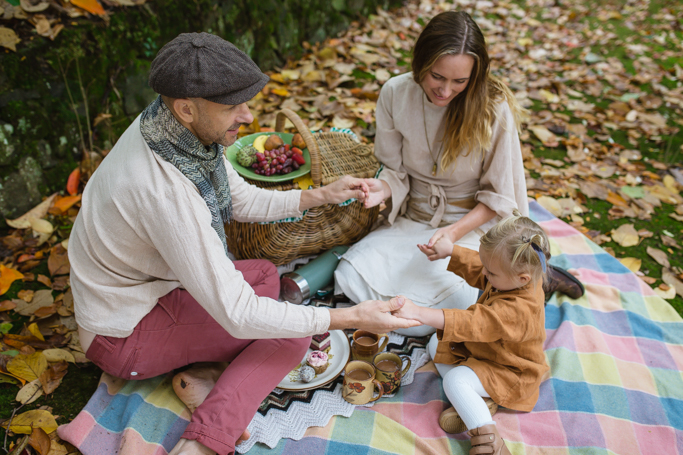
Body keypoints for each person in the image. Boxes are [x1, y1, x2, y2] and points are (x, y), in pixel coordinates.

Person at [67, 32, 420, 455]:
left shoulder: (173, 132)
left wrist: (320, 195)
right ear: (186, 108)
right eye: (234, 107)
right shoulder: (167, 191)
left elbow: (241, 198)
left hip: (151, 292)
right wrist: (350, 317)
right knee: (291, 335)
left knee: (265, 275)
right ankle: (203, 442)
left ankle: (202, 375)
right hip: (122, 333)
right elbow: (238, 315)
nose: (249, 117)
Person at [334, 11, 583, 336]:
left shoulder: (493, 107)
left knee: (439, 307)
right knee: (348, 275)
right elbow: (394, 171)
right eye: (437, 76)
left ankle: (532, 275)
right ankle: (520, 278)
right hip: (416, 219)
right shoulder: (395, 93)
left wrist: (452, 235)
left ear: (475, 77)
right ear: (420, 63)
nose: (445, 90)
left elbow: (498, 197)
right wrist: (382, 188)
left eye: (459, 81)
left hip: (472, 227)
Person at [392, 212, 551, 455]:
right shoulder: (513, 277)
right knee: (437, 342)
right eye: (487, 268)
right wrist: (451, 251)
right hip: (487, 353)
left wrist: (420, 313)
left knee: (455, 380)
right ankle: (477, 401)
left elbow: (473, 323)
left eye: (492, 273)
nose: (485, 274)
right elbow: (479, 267)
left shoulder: (518, 310)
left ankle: (490, 441)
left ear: (522, 278)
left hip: (510, 371)